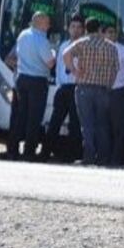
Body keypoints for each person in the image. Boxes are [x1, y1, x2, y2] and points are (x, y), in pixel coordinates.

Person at [63, 18, 118, 165]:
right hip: (103, 89)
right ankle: (103, 157)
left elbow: (65, 54)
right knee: (102, 124)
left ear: (86, 29)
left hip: (84, 87)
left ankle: (89, 156)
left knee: (87, 124)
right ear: (99, 29)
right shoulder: (111, 46)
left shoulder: (82, 43)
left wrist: (74, 71)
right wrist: (109, 84)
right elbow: (115, 68)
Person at [10, 12, 55, 160]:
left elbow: (16, 55)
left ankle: (13, 150)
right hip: (37, 81)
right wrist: (54, 53)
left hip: (21, 79)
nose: (49, 26)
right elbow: (50, 63)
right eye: (47, 22)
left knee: (20, 116)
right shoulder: (42, 39)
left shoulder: (23, 35)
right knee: (34, 118)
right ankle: (29, 152)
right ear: (39, 23)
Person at [45, 15, 84, 162]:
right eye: (73, 27)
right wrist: (59, 85)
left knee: (75, 123)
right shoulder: (63, 45)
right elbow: (59, 69)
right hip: (63, 88)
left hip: (77, 87)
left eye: (79, 27)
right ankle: (45, 152)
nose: (76, 30)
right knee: (55, 120)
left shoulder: (85, 46)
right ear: (68, 29)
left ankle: (74, 154)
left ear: (83, 30)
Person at [105, 24, 124, 166]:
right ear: (103, 34)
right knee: (103, 127)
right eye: (108, 32)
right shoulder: (98, 50)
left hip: (119, 92)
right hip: (102, 92)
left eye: (114, 32)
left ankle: (116, 159)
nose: (111, 35)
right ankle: (104, 157)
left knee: (118, 128)